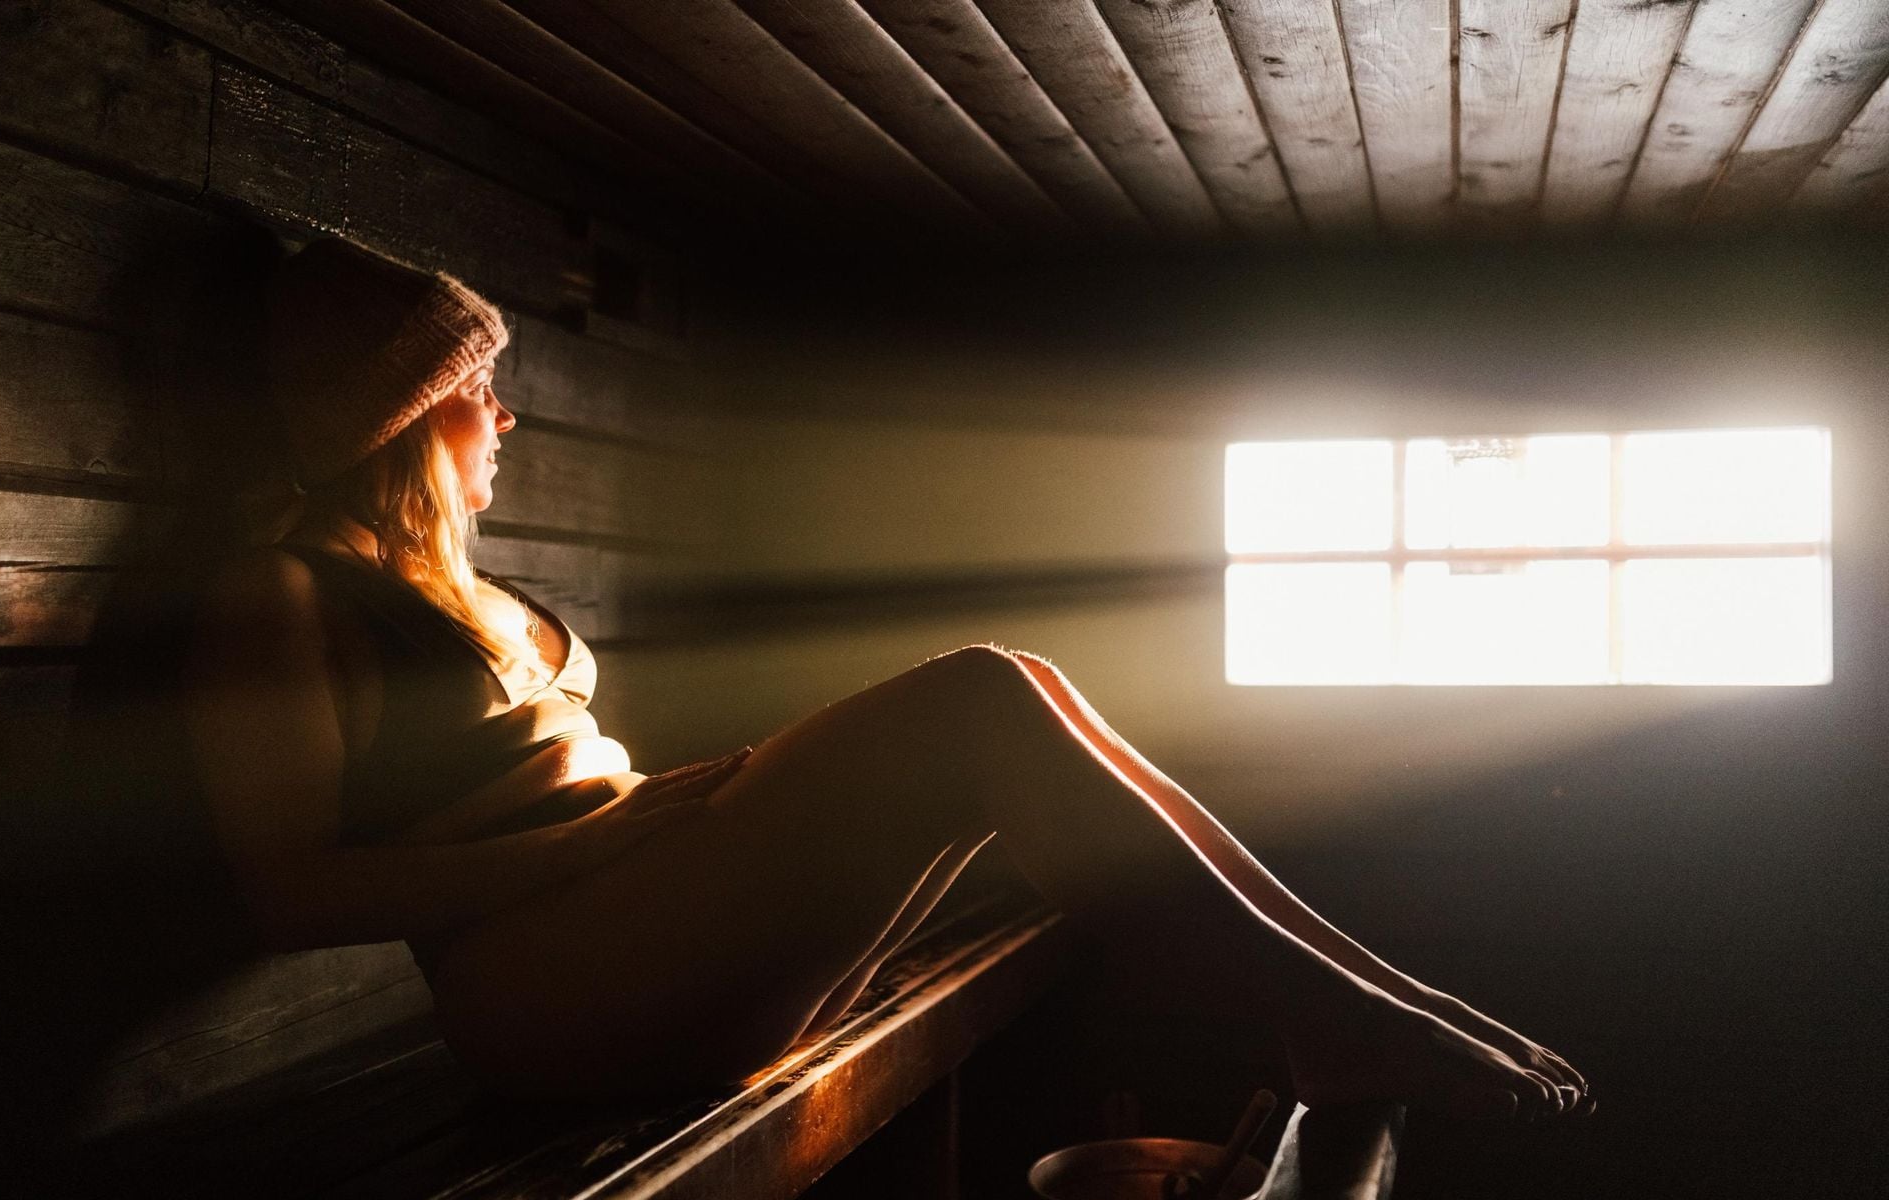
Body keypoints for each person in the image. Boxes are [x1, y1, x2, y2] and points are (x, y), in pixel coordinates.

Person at [183, 238, 1591, 1117]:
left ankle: (1355, 988)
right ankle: (1318, 1007)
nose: (505, 412)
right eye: (477, 387)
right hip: (545, 994)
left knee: (1020, 677)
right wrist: (584, 843)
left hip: (627, 916)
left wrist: (628, 830)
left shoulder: (459, 585)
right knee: (978, 695)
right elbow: (288, 889)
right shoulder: (286, 595)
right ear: (407, 413)